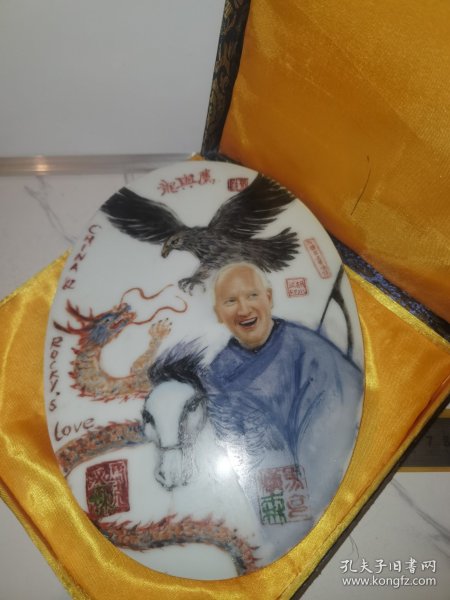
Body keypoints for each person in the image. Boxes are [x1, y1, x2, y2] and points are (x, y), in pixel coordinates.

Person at [207, 262, 364, 530]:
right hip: (241, 510)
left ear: (269, 298)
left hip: (301, 510)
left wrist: (289, 520)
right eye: (230, 301)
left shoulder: (313, 355)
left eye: (252, 295)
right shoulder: (215, 372)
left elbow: (331, 448)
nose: (243, 309)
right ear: (218, 313)